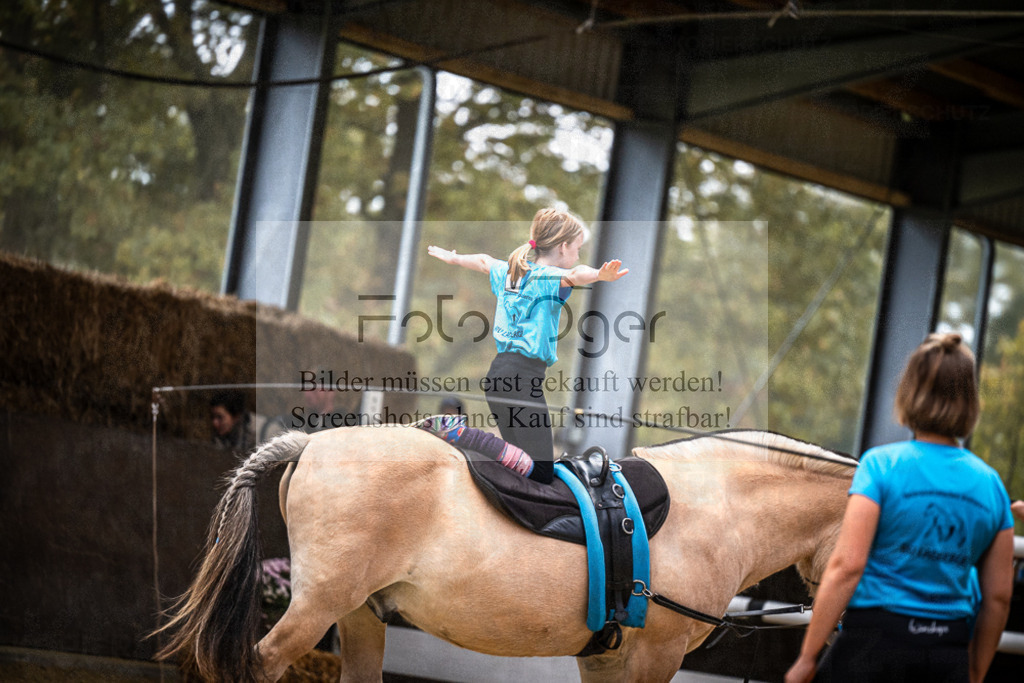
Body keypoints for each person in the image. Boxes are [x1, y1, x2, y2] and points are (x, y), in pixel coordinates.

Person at [785, 333, 1014, 683]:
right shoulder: (991, 485)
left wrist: (807, 656)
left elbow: (847, 567)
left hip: (872, 648)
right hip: (947, 650)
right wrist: (976, 671)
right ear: (970, 403)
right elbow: (998, 597)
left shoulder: (880, 466)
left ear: (909, 392)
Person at [425, 208, 628, 484]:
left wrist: (454, 258)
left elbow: (484, 262)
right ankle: (463, 434)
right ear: (563, 246)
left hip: (497, 376)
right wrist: (598, 275)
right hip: (522, 379)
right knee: (543, 471)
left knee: (521, 465)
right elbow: (577, 273)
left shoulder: (510, 271)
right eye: (578, 248)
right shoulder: (549, 278)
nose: (578, 255)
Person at [210, 389, 286, 452]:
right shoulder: (223, 435)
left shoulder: (265, 431)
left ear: (236, 416)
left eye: (220, 417)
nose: (215, 423)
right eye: (212, 417)